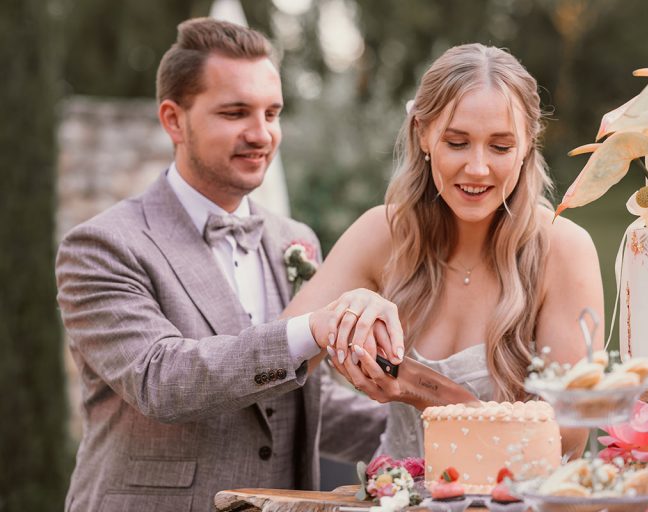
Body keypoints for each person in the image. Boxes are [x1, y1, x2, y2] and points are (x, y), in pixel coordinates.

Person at [56, 18, 402, 512]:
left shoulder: (294, 239)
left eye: (273, 113)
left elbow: (301, 402)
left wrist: (428, 424)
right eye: (236, 112)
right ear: (174, 120)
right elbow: (163, 381)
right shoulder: (103, 246)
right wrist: (310, 330)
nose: (261, 134)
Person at [284, 43, 604, 458]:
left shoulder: (563, 247)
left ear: (528, 145)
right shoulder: (381, 233)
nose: (477, 168)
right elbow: (280, 361)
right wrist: (341, 316)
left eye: (501, 147)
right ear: (423, 134)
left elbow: (567, 436)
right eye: (457, 143)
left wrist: (423, 389)